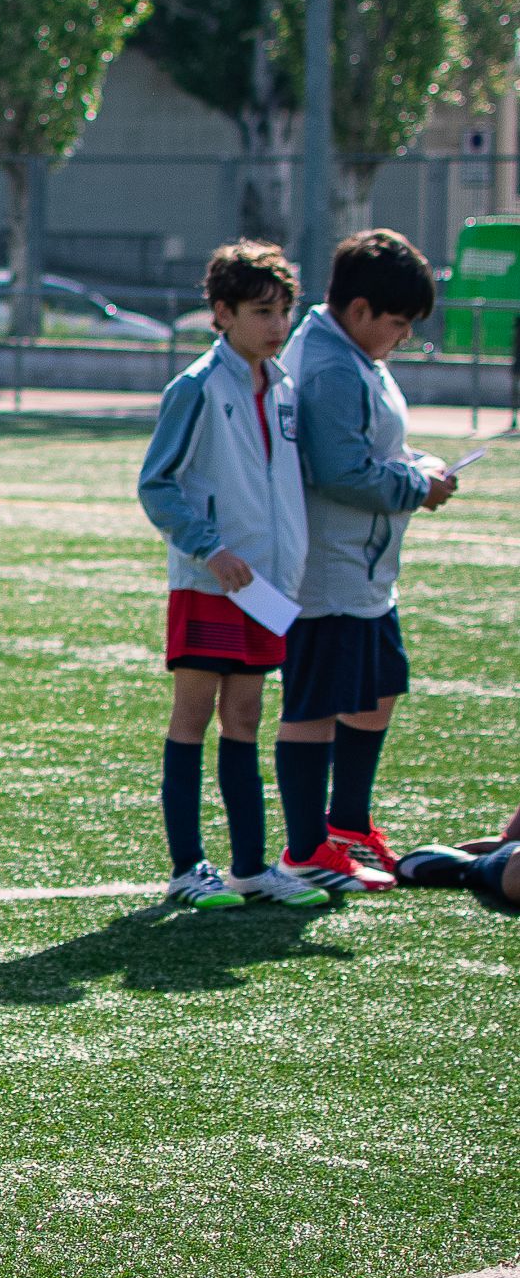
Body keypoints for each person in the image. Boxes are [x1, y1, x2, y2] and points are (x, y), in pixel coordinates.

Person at [135, 241, 326, 909]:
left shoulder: (285, 389)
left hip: (267, 591)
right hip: (209, 583)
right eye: (261, 311)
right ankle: (188, 867)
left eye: (285, 311)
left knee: (245, 716)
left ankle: (250, 868)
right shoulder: (194, 387)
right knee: (193, 717)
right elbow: (157, 486)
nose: (277, 326)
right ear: (221, 313)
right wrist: (210, 549)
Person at [271, 230, 457, 895]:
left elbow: (374, 447)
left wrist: (415, 464)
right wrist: (418, 486)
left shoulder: (355, 354)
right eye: (398, 323)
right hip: (328, 571)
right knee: (314, 705)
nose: (403, 337)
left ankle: (346, 822)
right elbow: (340, 471)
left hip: (368, 568)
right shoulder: (328, 365)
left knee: (378, 693)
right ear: (358, 310)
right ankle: (305, 848)